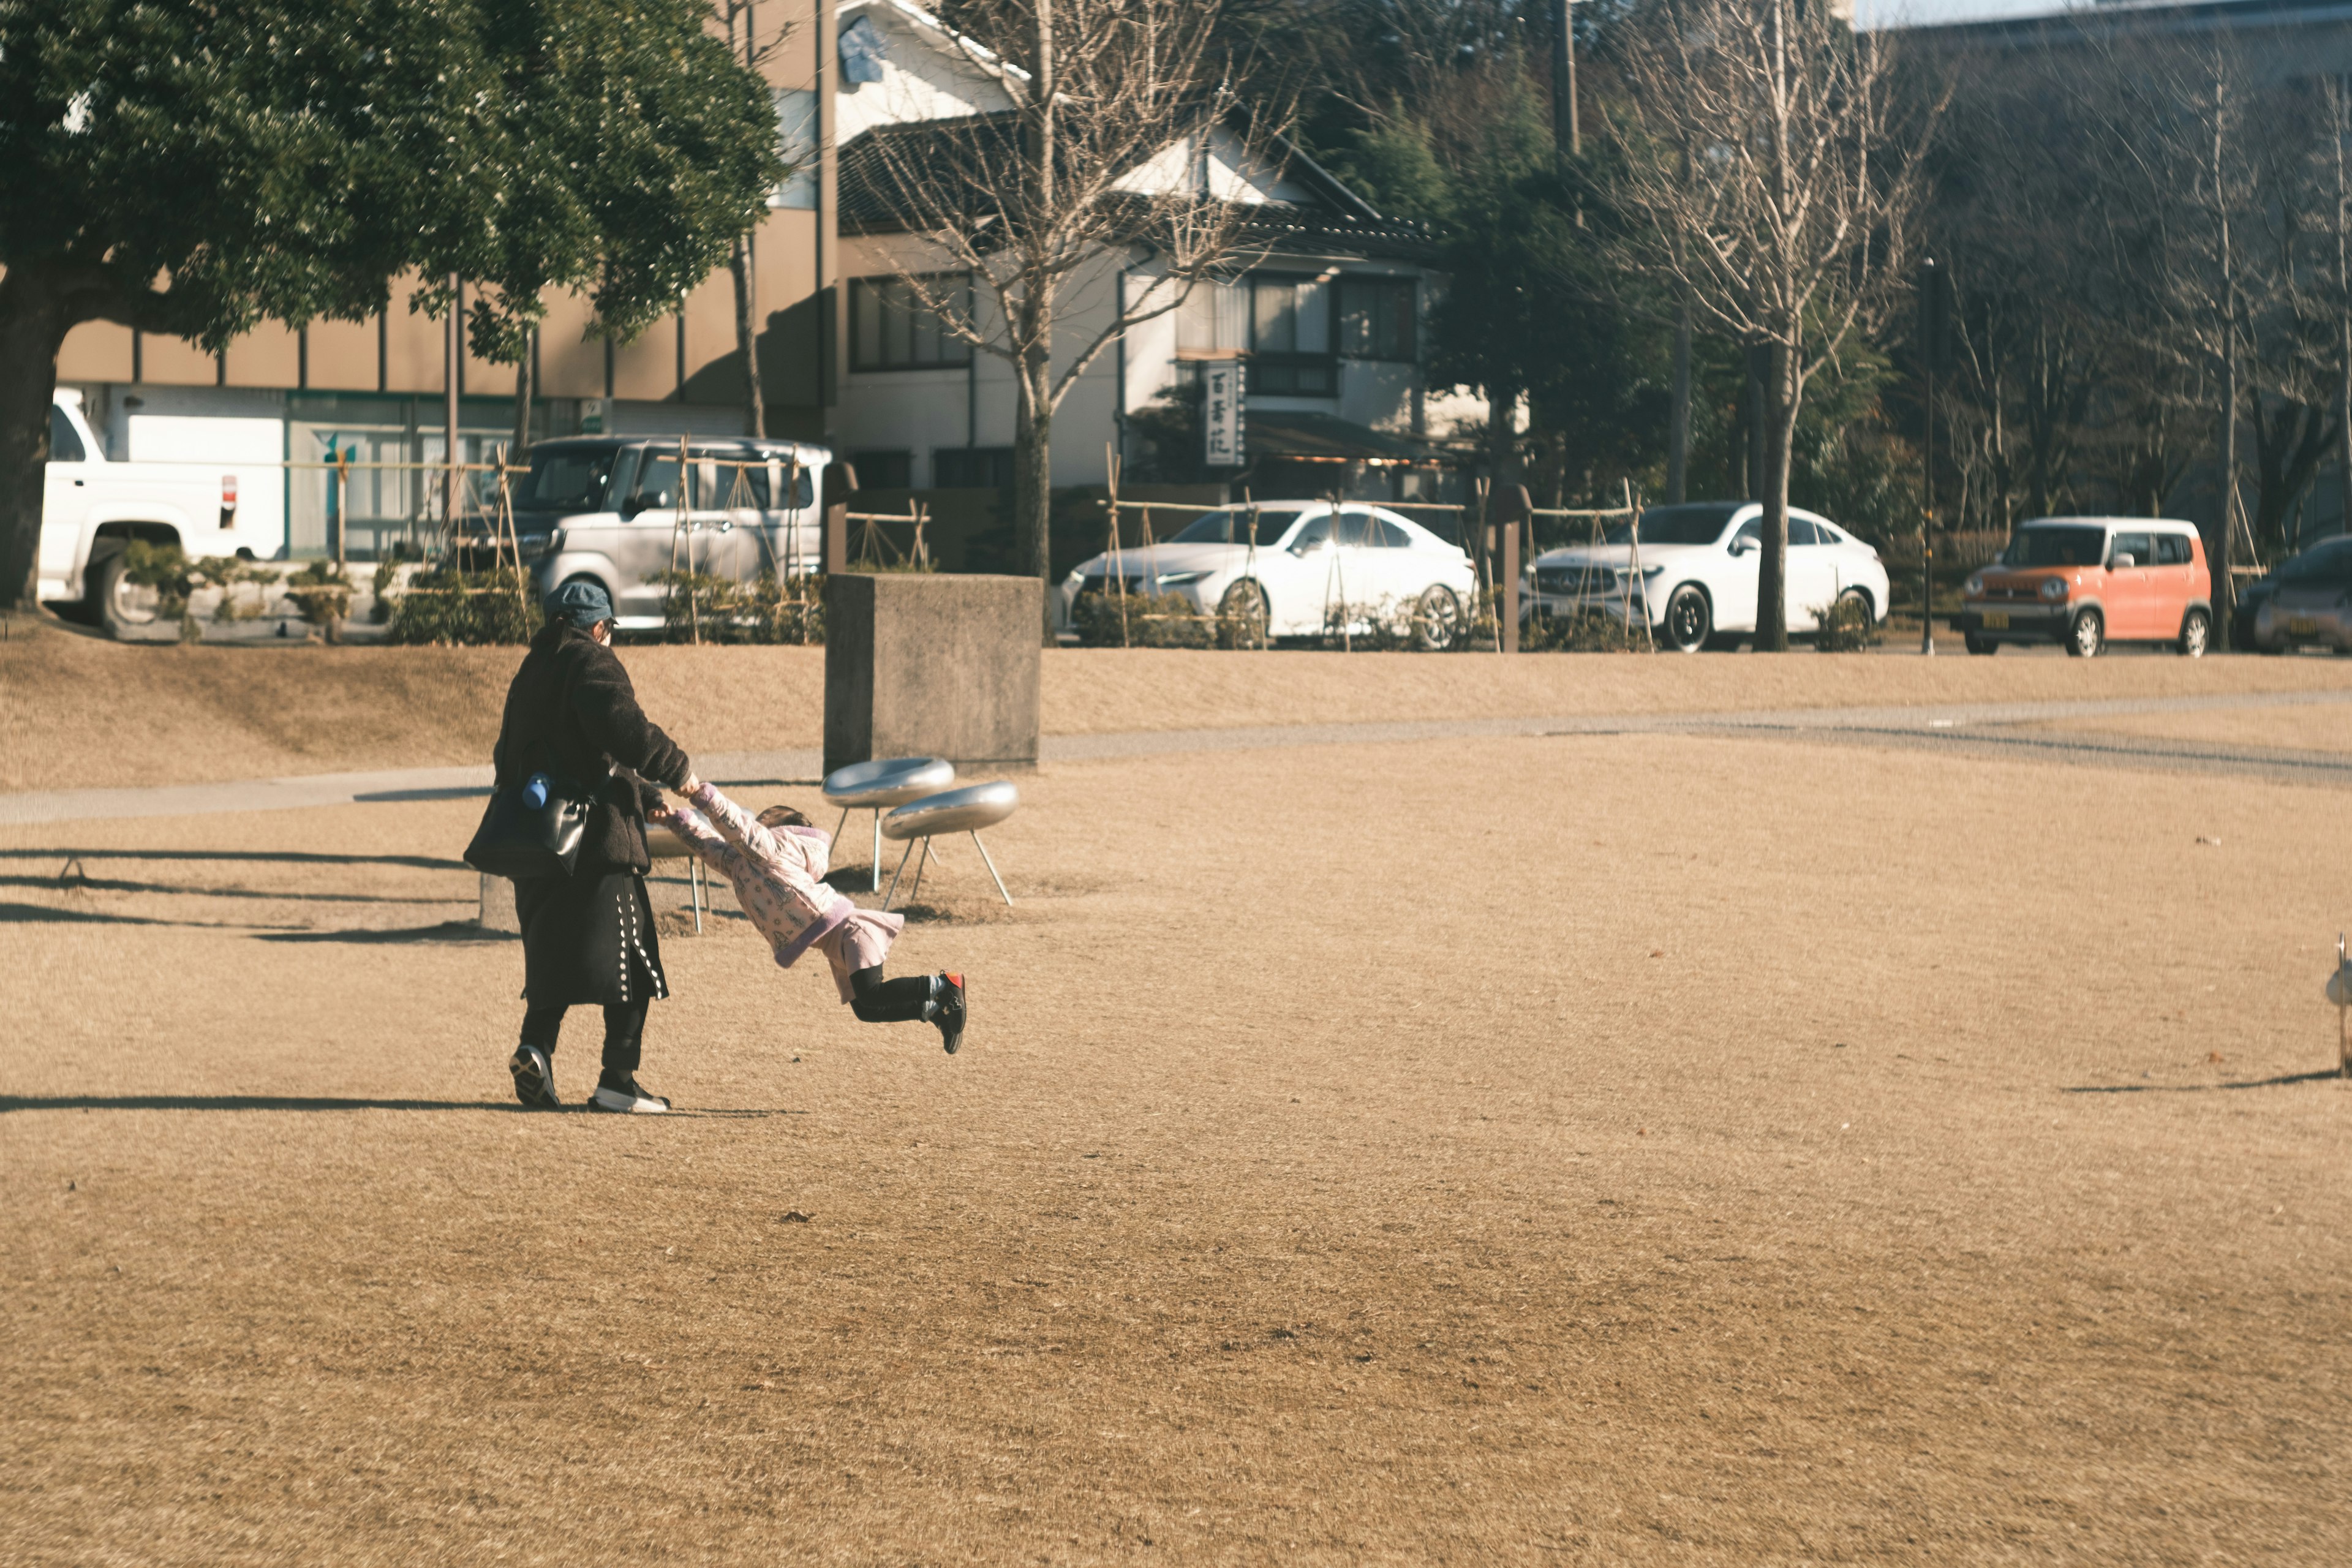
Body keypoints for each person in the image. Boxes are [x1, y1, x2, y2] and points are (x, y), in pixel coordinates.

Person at [495, 579, 694, 1113]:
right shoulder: (593, 662)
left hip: (538, 847)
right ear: (600, 627)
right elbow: (625, 731)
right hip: (597, 844)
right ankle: (618, 1081)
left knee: (552, 961)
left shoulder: (531, 671)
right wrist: (677, 772)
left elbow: (530, 754)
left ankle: (535, 1048)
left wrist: (641, 791)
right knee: (633, 962)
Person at [652, 777, 968, 1052]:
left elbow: (741, 829)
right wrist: (675, 821)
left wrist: (701, 795)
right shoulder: (740, 865)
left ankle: (943, 985)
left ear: (782, 831)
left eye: (765, 821)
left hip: (851, 931)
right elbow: (710, 847)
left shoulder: (776, 849)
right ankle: (933, 1009)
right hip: (835, 947)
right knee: (866, 1010)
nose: (758, 824)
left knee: (871, 995)